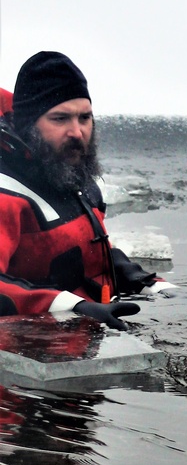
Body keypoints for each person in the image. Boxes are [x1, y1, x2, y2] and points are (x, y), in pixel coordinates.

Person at [0, 51, 163, 328]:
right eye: (60, 119)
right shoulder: (7, 195)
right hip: (28, 359)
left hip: (87, 341)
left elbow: (84, 251)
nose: (77, 132)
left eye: (84, 118)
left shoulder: (73, 176)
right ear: (29, 127)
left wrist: (144, 282)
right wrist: (75, 306)